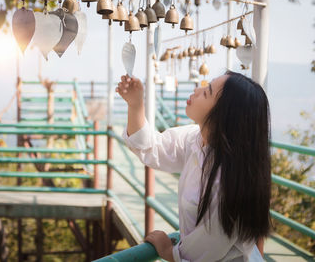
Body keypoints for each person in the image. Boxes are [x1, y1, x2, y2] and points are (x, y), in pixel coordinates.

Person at [116, 71, 271, 262]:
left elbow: (202, 253)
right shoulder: (196, 140)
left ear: (224, 115)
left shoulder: (229, 183)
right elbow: (151, 147)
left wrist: (169, 252)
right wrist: (135, 104)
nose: (198, 90)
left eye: (207, 92)